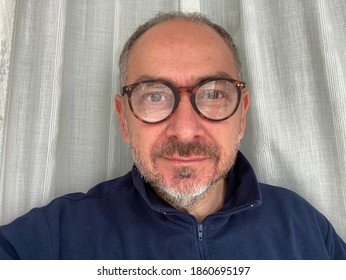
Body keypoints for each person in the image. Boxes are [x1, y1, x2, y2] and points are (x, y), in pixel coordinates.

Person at [0, 12, 345, 260]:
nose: (184, 128)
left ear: (242, 115)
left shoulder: (306, 229)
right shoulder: (57, 238)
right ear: (123, 118)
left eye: (212, 94)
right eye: (154, 95)